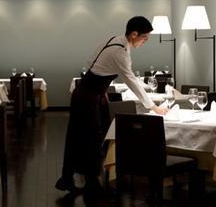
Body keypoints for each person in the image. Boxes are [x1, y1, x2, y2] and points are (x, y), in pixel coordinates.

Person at [56, 16, 168, 196]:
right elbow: (131, 81)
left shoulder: (114, 40)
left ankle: (71, 179)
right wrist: (153, 107)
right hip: (88, 98)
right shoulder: (120, 53)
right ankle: (89, 184)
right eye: (144, 38)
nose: (145, 42)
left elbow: (91, 64)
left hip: (85, 93)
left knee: (80, 137)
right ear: (134, 34)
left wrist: (102, 91)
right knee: (91, 139)